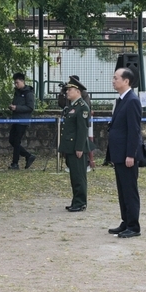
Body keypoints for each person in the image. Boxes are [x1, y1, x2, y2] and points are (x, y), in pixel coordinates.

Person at [107, 67, 144, 237]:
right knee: (122, 190)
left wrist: (131, 154)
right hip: (118, 153)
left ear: (126, 81)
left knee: (129, 190)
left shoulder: (132, 101)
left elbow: (134, 130)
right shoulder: (121, 100)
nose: (113, 81)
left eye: (116, 78)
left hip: (127, 155)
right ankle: (126, 220)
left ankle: (133, 226)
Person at [59, 79, 90, 211]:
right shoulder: (72, 106)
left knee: (79, 175)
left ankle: (80, 202)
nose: (67, 92)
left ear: (77, 91)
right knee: (74, 175)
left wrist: (79, 147)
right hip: (70, 146)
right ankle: (76, 200)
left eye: (69, 90)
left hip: (77, 146)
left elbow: (82, 130)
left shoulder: (82, 107)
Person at [8, 73, 36, 169]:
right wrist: (12, 107)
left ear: (22, 81)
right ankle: (28, 155)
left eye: (17, 82)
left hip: (23, 121)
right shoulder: (17, 92)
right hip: (16, 119)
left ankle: (15, 163)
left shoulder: (28, 93)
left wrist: (17, 108)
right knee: (12, 140)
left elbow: (30, 107)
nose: (16, 85)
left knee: (16, 141)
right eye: (15, 83)